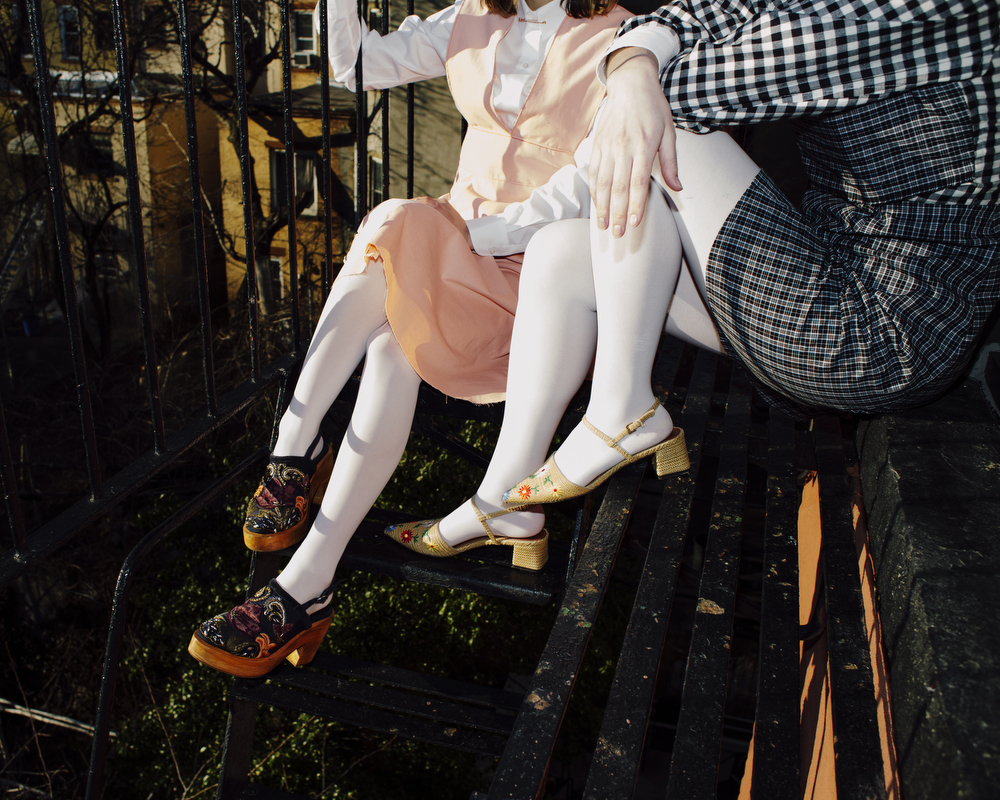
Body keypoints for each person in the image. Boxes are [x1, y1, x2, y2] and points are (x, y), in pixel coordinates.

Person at [388, 0, 999, 548]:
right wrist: (632, 64)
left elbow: (704, 87)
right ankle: (503, 501)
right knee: (560, 252)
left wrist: (634, 77)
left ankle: (620, 409)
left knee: (659, 124)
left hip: (879, 333)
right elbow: (711, 13)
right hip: (825, 270)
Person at [186, 0, 635, 678]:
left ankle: (294, 446)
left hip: (540, 282)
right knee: (391, 343)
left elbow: (590, 180)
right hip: (457, 258)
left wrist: (477, 236)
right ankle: (306, 586)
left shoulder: (624, 39)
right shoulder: (471, 19)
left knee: (394, 219)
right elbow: (356, 64)